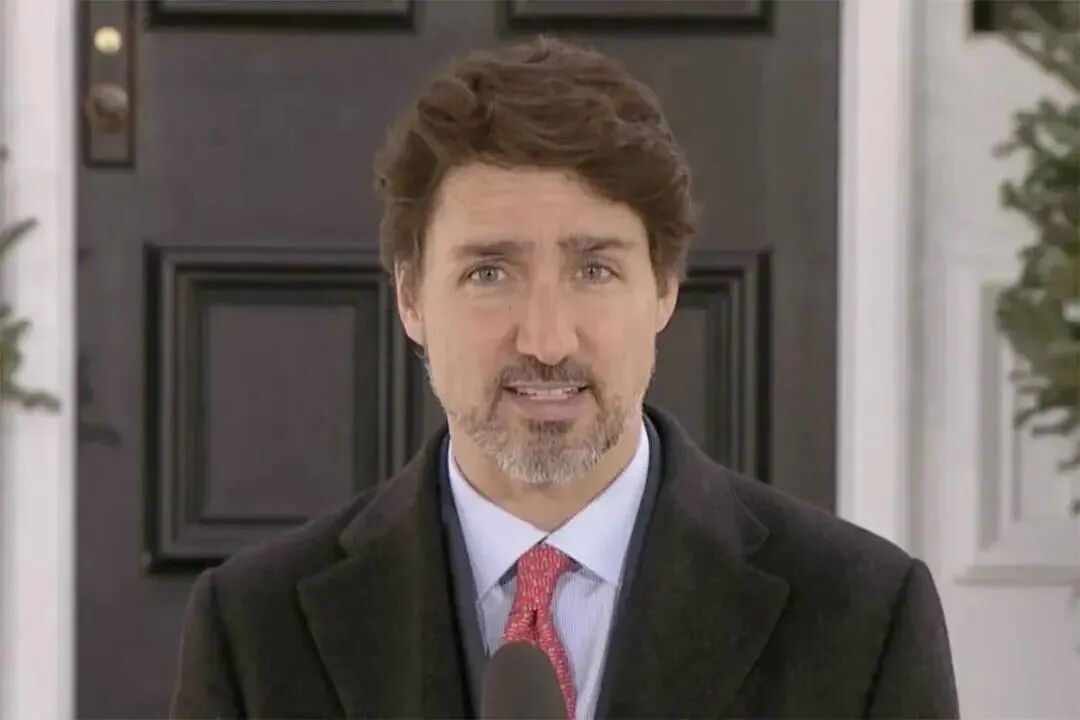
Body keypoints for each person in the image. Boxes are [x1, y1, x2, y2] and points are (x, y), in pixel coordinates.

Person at [170, 36, 959, 720]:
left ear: (664, 288)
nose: (547, 340)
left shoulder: (861, 616)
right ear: (410, 298)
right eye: (489, 273)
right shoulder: (255, 628)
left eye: (594, 270)